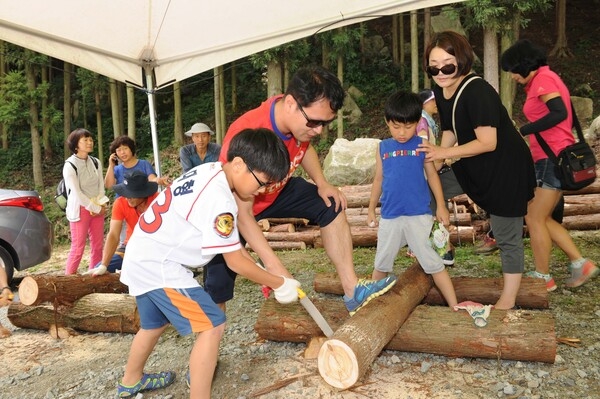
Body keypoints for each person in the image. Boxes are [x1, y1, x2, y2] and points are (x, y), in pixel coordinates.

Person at [116, 128, 301, 399]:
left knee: (153, 324)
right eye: (261, 182)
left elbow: (237, 245)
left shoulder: (212, 170)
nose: (261, 191)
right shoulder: (220, 199)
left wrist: (272, 271)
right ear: (239, 164)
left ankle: (130, 382)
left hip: (141, 255)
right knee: (213, 325)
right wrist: (278, 283)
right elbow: (235, 261)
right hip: (159, 265)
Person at [210, 65, 397, 316]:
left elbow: (304, 146)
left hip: (276, 190)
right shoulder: (248, 132)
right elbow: (242, 213)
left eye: (325, 123)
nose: (319, 130)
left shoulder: (299, 124)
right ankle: (209, 342)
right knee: (217, 286)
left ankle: (353, 292)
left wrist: (322, 182)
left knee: (331, 204)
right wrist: (274, 267)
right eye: (314, 122)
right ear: (290, 104)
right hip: (237, 204)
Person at [418, 31, 536, 310]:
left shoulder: (478, 91)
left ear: (462, 60)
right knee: (429, 192)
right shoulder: (441, 90)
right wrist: (436, 163)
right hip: (473, 164)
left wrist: (444, 154)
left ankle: (507, 300)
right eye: (433, 66)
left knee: (506, 235)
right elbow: (449, 129)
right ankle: (442, 246)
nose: (440, 72)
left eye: (447, 65)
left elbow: (488, 142)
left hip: (506, 168)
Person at [501, 39, 598, 290]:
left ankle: (542, 278)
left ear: (524, 65)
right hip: (551, 157)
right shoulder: (544, 79)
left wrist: (525, 129)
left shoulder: (543, 80)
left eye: (512, 70)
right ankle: (580, 264)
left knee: (533, 217)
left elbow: (559, 113)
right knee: (540, 217)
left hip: (551, 158)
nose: (511, 76)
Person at [367, 90, 457, 308]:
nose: (402, 132)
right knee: (382, 263)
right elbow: (379, 179)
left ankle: (455, 305)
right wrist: (371, 208)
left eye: (408, 127)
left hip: (419, 215)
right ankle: (369, 306)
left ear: (418, 122)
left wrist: (442, 207)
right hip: (390, 216)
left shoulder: (422, 146)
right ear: (388, 122)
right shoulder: (383, 147)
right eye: (396, 126)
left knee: (435, 264)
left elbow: (433, 176)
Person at [85, 170, 160, 275]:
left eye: (132, 195)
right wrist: (104, 265)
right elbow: (113, 234)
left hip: (157, 246)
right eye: (126, 193)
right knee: (98, 271)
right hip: (131, 246)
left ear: (144, 193)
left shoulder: (159, 201)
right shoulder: (120, 202)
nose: (127, 198)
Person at [417, 88, 462, 265]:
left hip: (431, 171)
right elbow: (423, 146)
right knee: (435, 211)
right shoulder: (422, 122)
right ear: (423, 104)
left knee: (436, 211)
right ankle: (443, 252)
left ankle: (443, 251)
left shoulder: (428, 122)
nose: (436, 104)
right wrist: (439, 161)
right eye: (432, 101)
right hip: (427, 174)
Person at [63, 128, 108, 275]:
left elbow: (100, 185)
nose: (89, 142)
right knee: (78, 248)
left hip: (97, 207)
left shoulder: (96, 162)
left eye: (91, 140)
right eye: (85, 140)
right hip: (80, 210)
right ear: (76, 145)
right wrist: (94, 207)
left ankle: (93, 280)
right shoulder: (70, 165)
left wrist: (101, 203)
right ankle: (68, 283)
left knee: (97, 246)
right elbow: (77, 194)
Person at [104, 135, 170, 190]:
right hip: (122, 203)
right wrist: (111, 165)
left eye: (125, 148)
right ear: (115, 154)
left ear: (131, 149)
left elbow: (152, 179)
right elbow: (109, 186)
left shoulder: (144, 164)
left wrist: (159, 180)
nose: (122, 152)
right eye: (119, 150)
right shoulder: (116, 169)